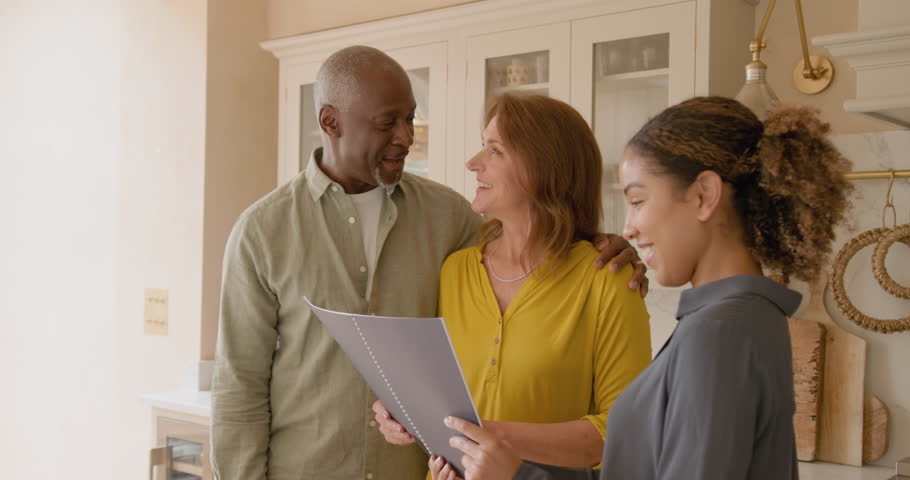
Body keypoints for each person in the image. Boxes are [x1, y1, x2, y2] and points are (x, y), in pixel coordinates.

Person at [210, 46, 647, 480]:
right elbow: (239, 390)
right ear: (331, 122)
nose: (406, 136)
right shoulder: (262, 233)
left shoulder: (451, 218)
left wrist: (595, 241)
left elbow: (536, 242)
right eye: (387, 123)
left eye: (410, 118)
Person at [438, 97, 853, 480]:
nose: (628, 228)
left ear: (704, 195)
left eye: (637, 200)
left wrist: (518, 475)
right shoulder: (746, 318)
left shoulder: (720, 333)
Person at [374, 94, 652, 480]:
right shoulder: (455, 270)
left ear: (544, 167)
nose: (473, 163)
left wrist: (489, 436)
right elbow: (431, 390)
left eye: (495, 150)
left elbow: (625, 432)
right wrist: (399, 411)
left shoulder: (608, 280)